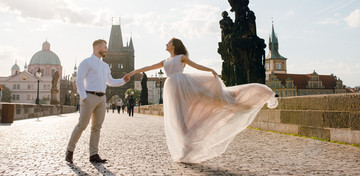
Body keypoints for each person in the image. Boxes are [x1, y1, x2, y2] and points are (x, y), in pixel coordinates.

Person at [125, 38, 278, 164]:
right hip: (171, 87)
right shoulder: (165, 61)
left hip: (182, 86)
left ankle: (189, 145)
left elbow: (195, 66)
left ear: (174, 45)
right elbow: (149, 66)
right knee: (177, 119)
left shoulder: (181, 58)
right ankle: (187, 146)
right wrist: (134, 72)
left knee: (187, 115)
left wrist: (210, 70)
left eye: (168, 42)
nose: (166, 44)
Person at [65, 39, 129, 164]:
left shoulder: (105, 66)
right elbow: (79, 80)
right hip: (89, 96)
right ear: (97, 47)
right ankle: (69, 150)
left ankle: (93, 154)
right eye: (105, 47)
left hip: (102, 98)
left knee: (97, 128)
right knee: (82, 126)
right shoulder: (86, 62)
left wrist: (123, 80)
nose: (106, 49)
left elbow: (110, 81)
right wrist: (84, 97)